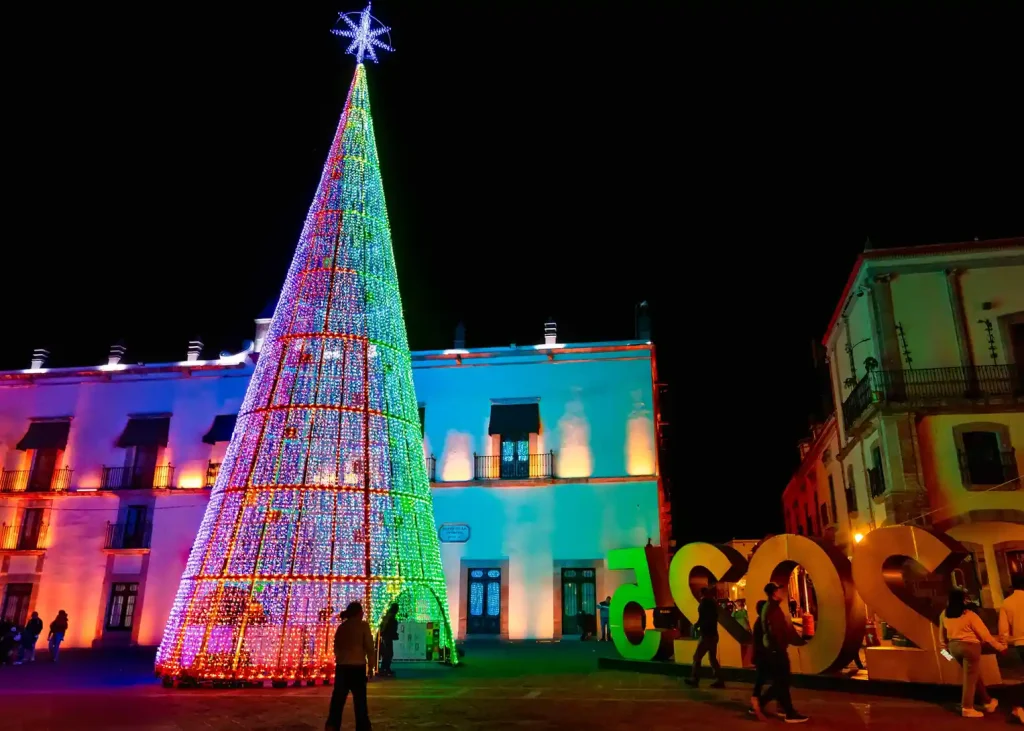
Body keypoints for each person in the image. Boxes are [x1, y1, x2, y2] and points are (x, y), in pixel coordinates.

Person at [940, 588, 1005, 719]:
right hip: (970, 648)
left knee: (973, 675)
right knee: (970, 679)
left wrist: (947, 656)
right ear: (963, 600)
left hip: (954, 648)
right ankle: (967, 707)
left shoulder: (944, 614)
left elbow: (941, 640)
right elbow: (985, 635)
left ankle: (987, 701)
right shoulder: (969, 614)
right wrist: (1000, 647)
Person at [757, 583, 809, 723]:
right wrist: (780, 646)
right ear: (774, 593)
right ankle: (788, 712)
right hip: (776, 650)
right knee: (783, 681)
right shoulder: (772, 609)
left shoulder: (772, 607)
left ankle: (769, 706)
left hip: (775, 649)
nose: (782, 593)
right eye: (779, 590)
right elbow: (775, 631)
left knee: (781, 682)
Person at [326, 601, 374, 731]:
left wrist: (341, 659)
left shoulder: (342, 627)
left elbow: (336, 646)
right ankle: (363, 727)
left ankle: (332, 725)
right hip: (357, 667)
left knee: (338, 700)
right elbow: (370, 647)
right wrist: (371, 666)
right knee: (360, 701)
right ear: (359, 612)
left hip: (342, 667)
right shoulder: (363, 626)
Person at [685, 586, 724, 689]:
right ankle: (719, 679)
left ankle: (695, 679)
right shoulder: (713, 604)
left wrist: (697, 625)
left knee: (697, 657)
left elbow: (703, 618)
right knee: (712, 658)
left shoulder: (704, 604)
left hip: (706, 635)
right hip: (713, 634)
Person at [998, 575, 1024, 723]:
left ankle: (1018, 707)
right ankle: (1018, 706)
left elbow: (1003, 630)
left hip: (1020, 644)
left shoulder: (1007, 603)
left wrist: (1004, 644)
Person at [748, 599, 770, 720]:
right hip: (764, 656)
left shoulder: (760, 622)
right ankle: (756, 703)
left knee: (761, 680)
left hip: (762, 656)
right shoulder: (761, 624)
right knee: (777, 682)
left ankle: (756, 702)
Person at [378, 603, 399, 677]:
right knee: (388, 653)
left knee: (388, 653)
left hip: (387, 636)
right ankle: (385, 668)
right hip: (387, 636)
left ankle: (385, 668)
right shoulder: (390, 616)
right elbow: (387, 626)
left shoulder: (389, 616)